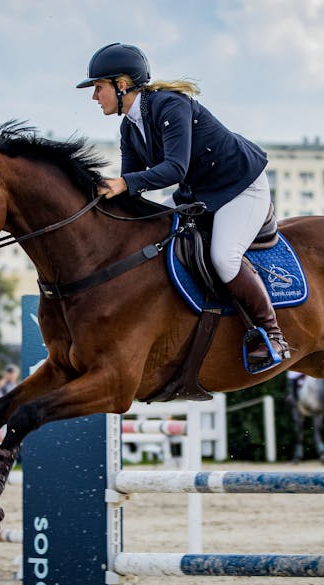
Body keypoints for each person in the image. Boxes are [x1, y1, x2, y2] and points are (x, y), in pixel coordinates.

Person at [77, 42, 290, 369]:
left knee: (224, 257)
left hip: (240, 187)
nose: (94, 96)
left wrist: (123, 184)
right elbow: (132, 184)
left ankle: (272, 334)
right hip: (201, 193)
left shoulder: (170, 106)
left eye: (98, 87)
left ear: (121, 85)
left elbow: (174, 168)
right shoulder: (129, 128)